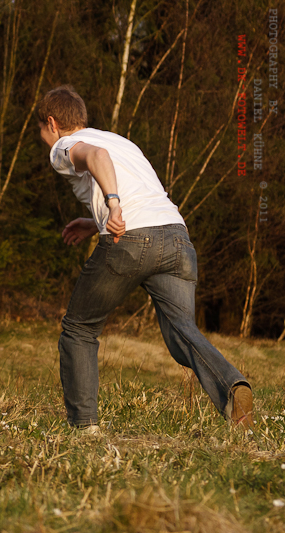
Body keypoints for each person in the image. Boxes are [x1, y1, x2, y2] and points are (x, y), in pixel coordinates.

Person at [37, 85, 253, 432]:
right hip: (176, 237)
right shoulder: (120, 141)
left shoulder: (63, 145)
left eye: (42, 131)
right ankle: (231, 387)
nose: (44, 138)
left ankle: (84, 428)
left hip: (131, 239)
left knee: (79, 328)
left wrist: (112, 204)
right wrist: (95, 224)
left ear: (52, 123)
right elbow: (140, 190)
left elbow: (96, 159)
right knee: (182, 332)